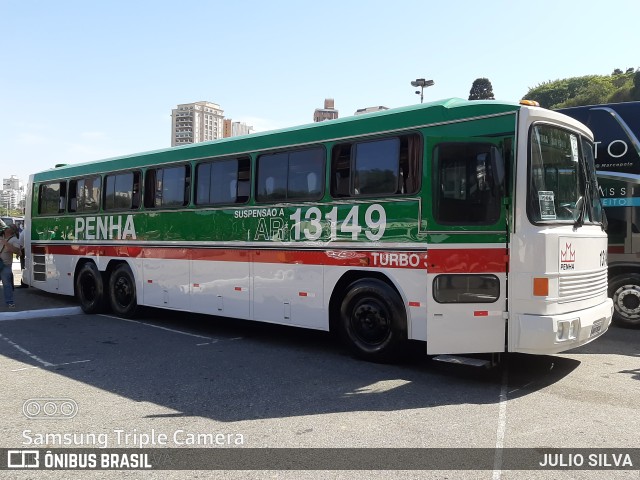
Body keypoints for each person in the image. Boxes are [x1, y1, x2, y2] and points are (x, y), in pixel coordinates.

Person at [0, 224, 21, 308]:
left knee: (7, 284)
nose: (5, 228)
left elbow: (16, 250)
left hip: (5, 265)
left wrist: (6, 244)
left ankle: (10, 302)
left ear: (11, 230)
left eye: (8, 227)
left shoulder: (14, 239)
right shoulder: (1, 236)